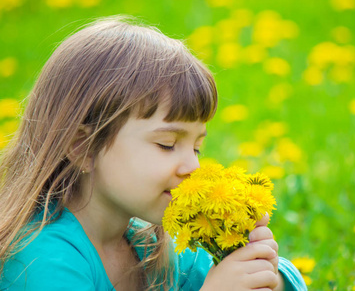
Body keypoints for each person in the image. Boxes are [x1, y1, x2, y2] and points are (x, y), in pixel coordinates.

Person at [0, 16, 307, 291]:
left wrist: (260, 269)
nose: (193, 166)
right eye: (167, 145)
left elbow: (288, 278)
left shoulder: (150, 244)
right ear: (83, 146)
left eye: (197, 147)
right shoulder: (40, 258)